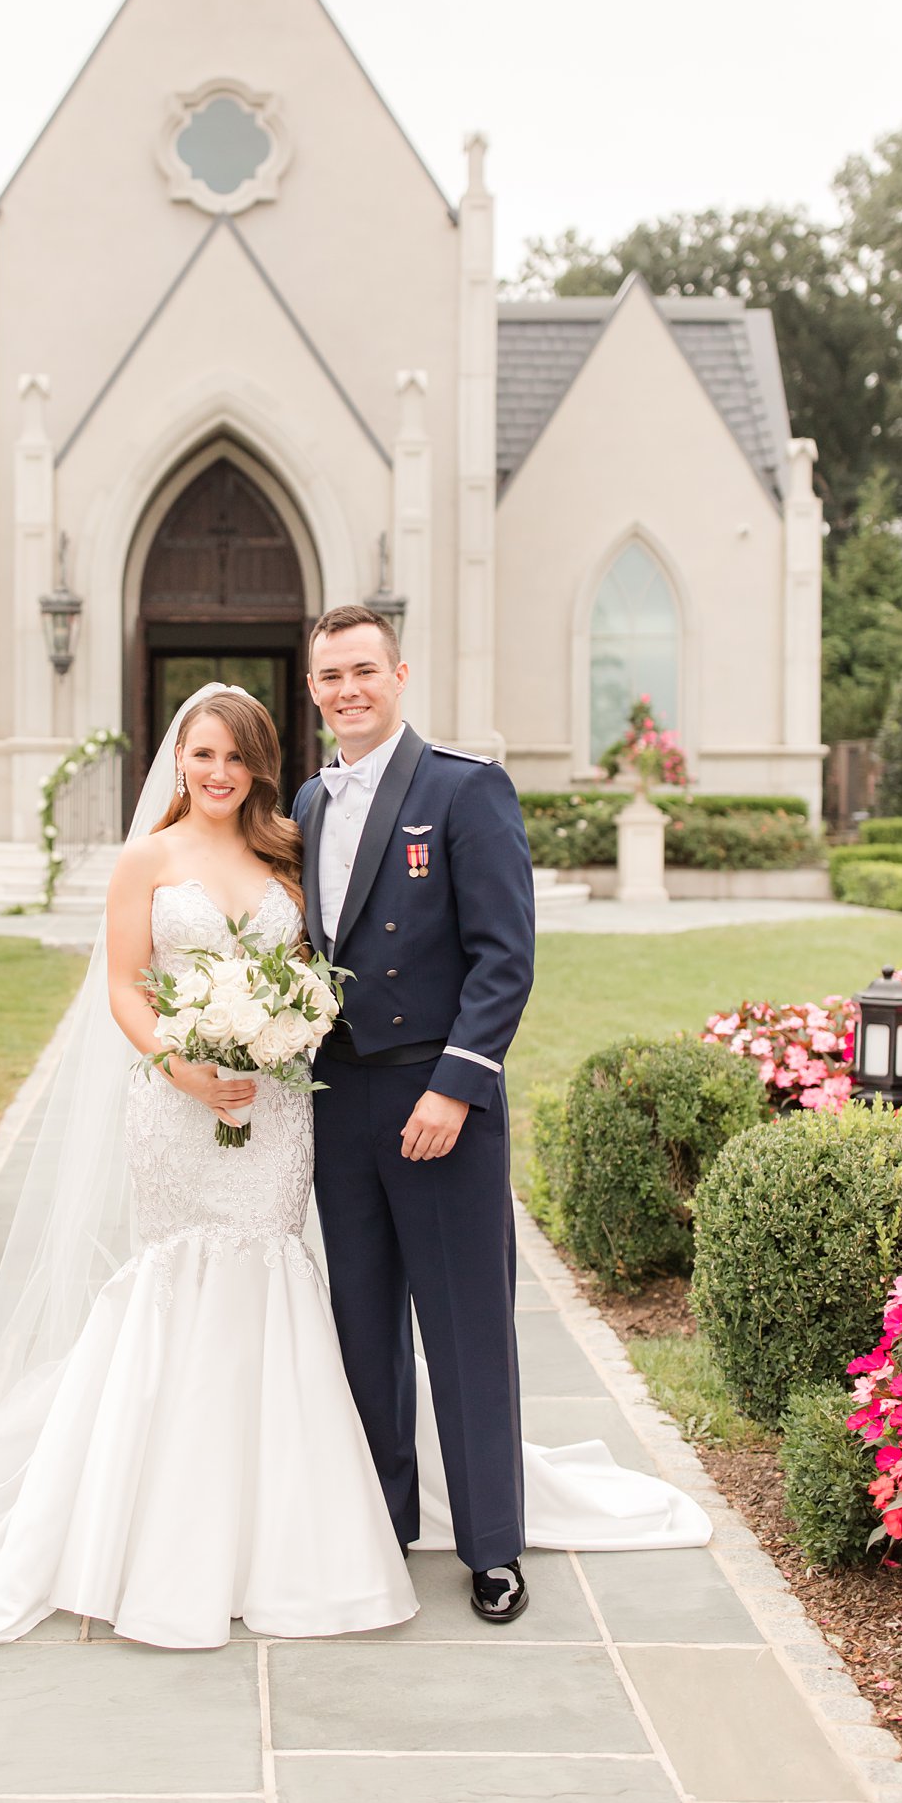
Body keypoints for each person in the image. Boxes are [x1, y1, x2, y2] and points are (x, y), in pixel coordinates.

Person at [0, 680, 709, 1657]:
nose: (215, 772)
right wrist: (180, 1065)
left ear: (259, 766)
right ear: (176, 760)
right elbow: (123, 986)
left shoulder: (288, 850)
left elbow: (330, 966)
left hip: (273, 1112)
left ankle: (305, 1524)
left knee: (275, 1278)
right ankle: (161, 1522)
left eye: (233, 756)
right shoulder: (145, 859)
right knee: (183, 1283)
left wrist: (281, 1033)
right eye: (200, 754)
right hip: (176, 1110)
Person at [295, 605, 536, 1621]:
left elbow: (503, 956)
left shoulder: (463, 787)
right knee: (362, 1328)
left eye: (362, 670)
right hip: (338, 1097)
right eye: (328, 677)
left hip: (438, 1096)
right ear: (312, 693)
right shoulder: (304, 803)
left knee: (464, 1325)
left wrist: (453, 1086)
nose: (346, 689)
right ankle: (383, 1527)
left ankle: (489, 1549)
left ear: (398, 672)